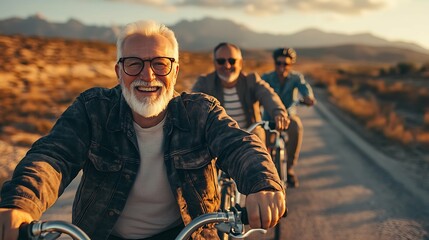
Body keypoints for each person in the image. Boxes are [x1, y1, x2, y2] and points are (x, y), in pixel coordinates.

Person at [0, 20, 286, 240]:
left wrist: (262, 184)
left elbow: (238, 144)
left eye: (160, 64)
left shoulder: (201, 111)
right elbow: (53, 156)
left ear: (174, 72)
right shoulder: (93, 109)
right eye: (133, 64)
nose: (147, 75)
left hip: (185, 233)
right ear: (119, 72)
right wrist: (21, 202)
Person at [192, 42, 290, 144]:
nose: (227, 65)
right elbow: (192, 104)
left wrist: (278, 112)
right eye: (221, 61)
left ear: (240, 63)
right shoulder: (204, 82)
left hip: (250, 139)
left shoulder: (251, 80)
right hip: (218, 142)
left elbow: (267, 94)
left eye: (232, 61)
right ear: (215, 63)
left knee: (259, 159)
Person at [261, 47, 316, 188]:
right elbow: (258, 89)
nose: (281, 67)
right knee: (264, 143)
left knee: (296, 127)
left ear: (290, 65)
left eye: (285, 64)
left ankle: (290, 168)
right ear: (274, 63)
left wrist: (308, 97)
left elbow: (304, 88)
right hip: (269, 117)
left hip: (289, 116)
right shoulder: (266, 78)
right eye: (278, 63)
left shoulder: (296, 78)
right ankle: (266, 171)